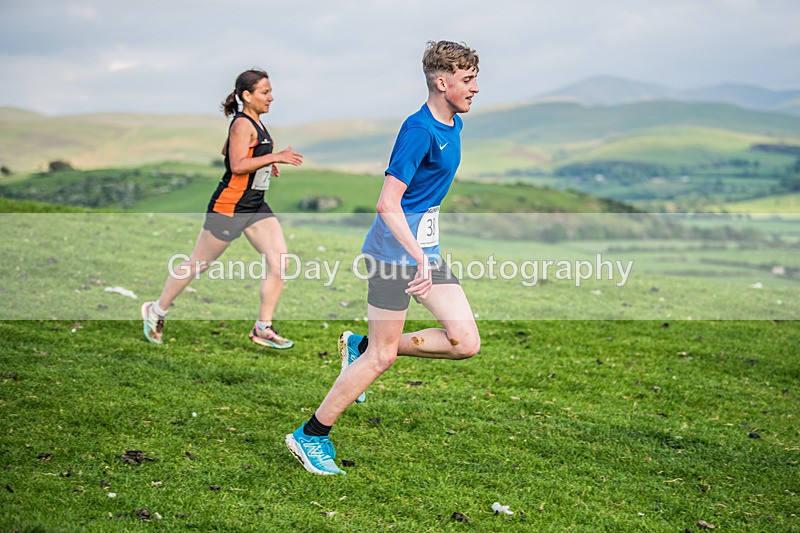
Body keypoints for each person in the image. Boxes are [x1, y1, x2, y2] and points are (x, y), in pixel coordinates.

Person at [285, 41, 481, 475]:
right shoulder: (419, 131)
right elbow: (387, 204)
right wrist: (419, 257)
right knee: (382, 358)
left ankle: (361, 344)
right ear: (442, 81)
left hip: (422, 252)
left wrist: (425, 254)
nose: (475, 88)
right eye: (468, 80)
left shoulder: (452, 126)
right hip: (395, 256)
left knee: (465, 342)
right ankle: (311, 435)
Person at [141, 68, 303, 349]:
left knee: (280, 263)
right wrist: (274, 156)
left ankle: (263, 327)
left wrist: (266, 162)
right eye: (265, 92)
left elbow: (232, 153)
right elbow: (236, 164)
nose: (271, 98)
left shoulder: (255, 122)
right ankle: (156, 310)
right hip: (229, 206)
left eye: (270, 91)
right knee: (198, 264)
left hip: (254, 205)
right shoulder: (242, 124)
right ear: (247, 95)